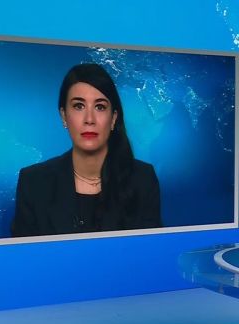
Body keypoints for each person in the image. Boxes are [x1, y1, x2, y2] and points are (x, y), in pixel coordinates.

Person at [11, 63, 162, 237]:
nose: (89, 119)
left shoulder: (143, 179)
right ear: (64, 116)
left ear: (113, 118)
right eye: (78, 106)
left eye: (100, 107)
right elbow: (24, 253)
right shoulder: (33, 182)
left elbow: (152, 251)